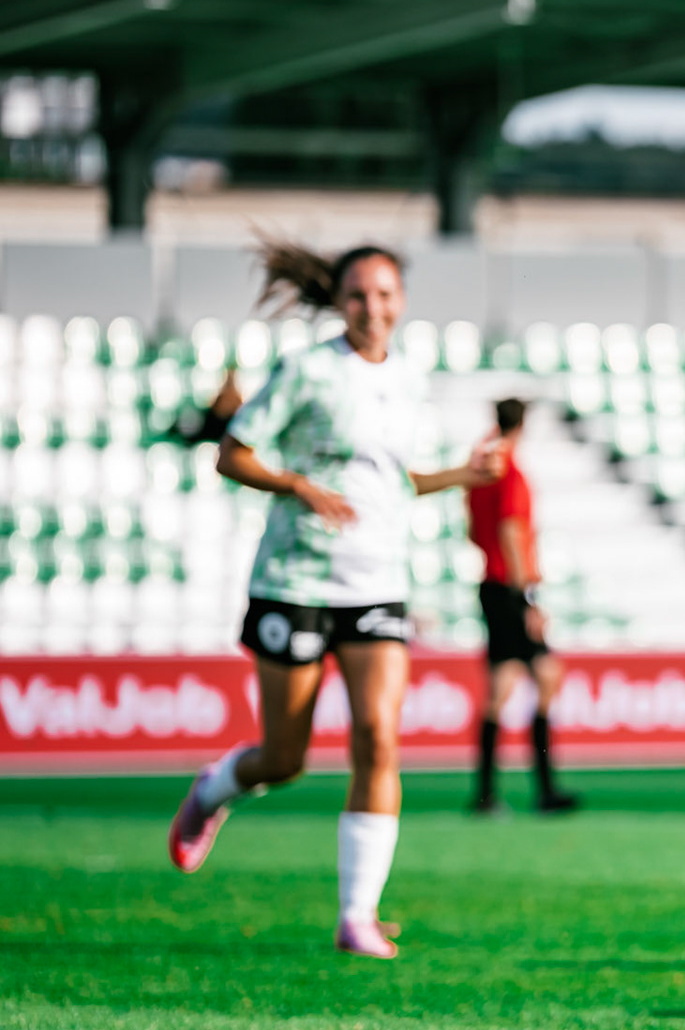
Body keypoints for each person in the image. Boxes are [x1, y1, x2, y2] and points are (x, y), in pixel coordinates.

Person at [165, 240, 500, 959]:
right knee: (285, 759)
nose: (372, 308)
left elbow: (394, 480)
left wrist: (463, 475)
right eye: (358, 295)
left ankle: (357, 916)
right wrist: (297, 485)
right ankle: (214, 789)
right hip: (295, 579)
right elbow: (232, 453)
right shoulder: (308, 370)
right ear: (340, 302)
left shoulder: (408, 379)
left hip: (377, 584)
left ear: (401, 301)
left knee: (378, 738)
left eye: (384, 295)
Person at [467, 396, 578, 815]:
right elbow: (511, 530)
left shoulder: (482, 469)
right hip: (510, 587)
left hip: (491, 584)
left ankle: (486, 794)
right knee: (545, 676)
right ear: (523, 424)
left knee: (501, 686)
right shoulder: (510, 472)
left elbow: (473, 531)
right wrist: (527, 596)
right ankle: (544, 789)